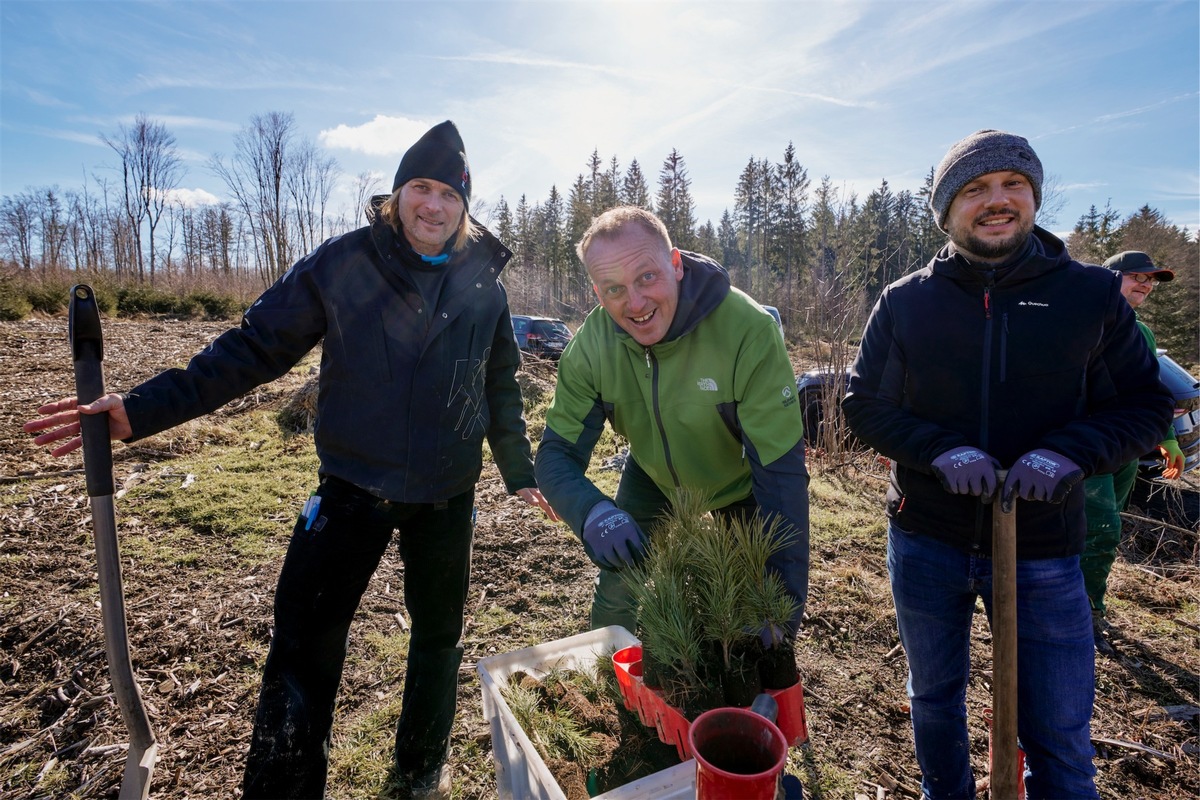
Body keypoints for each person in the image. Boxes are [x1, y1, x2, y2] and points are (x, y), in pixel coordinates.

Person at [24, 120, 557, 799]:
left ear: (464, 206)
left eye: (449, 194)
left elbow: (499, 382)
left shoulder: (484, 283)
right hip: (350, 488)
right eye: (419, 188)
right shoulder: (344, 265)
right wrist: (144, 409)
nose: (433, 205)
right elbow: (252, 349)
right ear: (396, 197)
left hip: (448, 495)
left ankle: (419, 772)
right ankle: (282, 787)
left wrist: (518, 470)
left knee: (438, 642)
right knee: (303, 650)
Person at [841, 130, 1173, 799]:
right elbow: (862, 402)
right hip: (926, 537)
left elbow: (1144, 406)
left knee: (1057, 727)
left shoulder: (1091, 298)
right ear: (945, 209)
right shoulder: (908, 301)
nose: (996, 200)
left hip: (1045, 551)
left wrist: (1066, 454)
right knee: (934, 698)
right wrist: (938, 449)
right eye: (974, 189)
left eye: (1012, 185)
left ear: (1034, 197)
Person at [533, 205, 809, 637]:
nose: (636, 303)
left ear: (676, 264)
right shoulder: (591, 348)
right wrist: (592, 512)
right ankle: (612, 681)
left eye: (647, 277)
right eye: (615, 289)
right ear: (597, 292)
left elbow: (781, 474)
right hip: (653, 474)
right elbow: (555, 456)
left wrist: (783, 613)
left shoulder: (746, 330)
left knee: (748, 609)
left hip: (743, 484)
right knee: (619, 588)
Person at [1081, 250, 1182, 649]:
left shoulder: (1142, 331)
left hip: (1126, 447)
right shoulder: (1080, 320)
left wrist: (1167, 435)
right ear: (1110, 279)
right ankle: (1085, 614)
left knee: (1107, 525)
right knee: (1101, 529)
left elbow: (1151, 390)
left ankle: (1088, 603)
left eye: (1151, 279)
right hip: (1086, 443)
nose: (1145, 284)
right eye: (1136, 276)